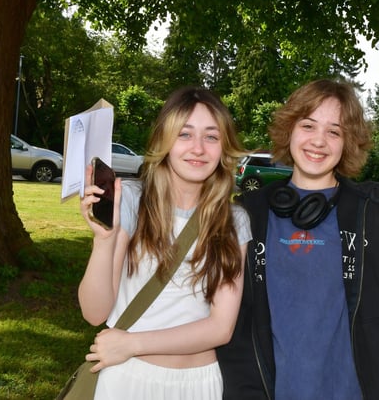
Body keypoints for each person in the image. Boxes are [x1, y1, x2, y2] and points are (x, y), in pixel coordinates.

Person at [217, 58, 379, 400]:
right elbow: (228, 324)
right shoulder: (249, 214)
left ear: (348, 142)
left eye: (334, 131)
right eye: (308, 125)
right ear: (289, 130)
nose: (319, 141)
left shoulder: (371, 212)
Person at [78, 86, 252, 399]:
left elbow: (221, 328)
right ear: (164, 140)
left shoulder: (234, 220)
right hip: (127, 379)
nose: (198, 148)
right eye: (184, 134)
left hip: (199, 384)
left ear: (224, 147)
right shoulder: (131, 199)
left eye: (211, 136)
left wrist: (133, 344)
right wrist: (103, 241)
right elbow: (94, 312)